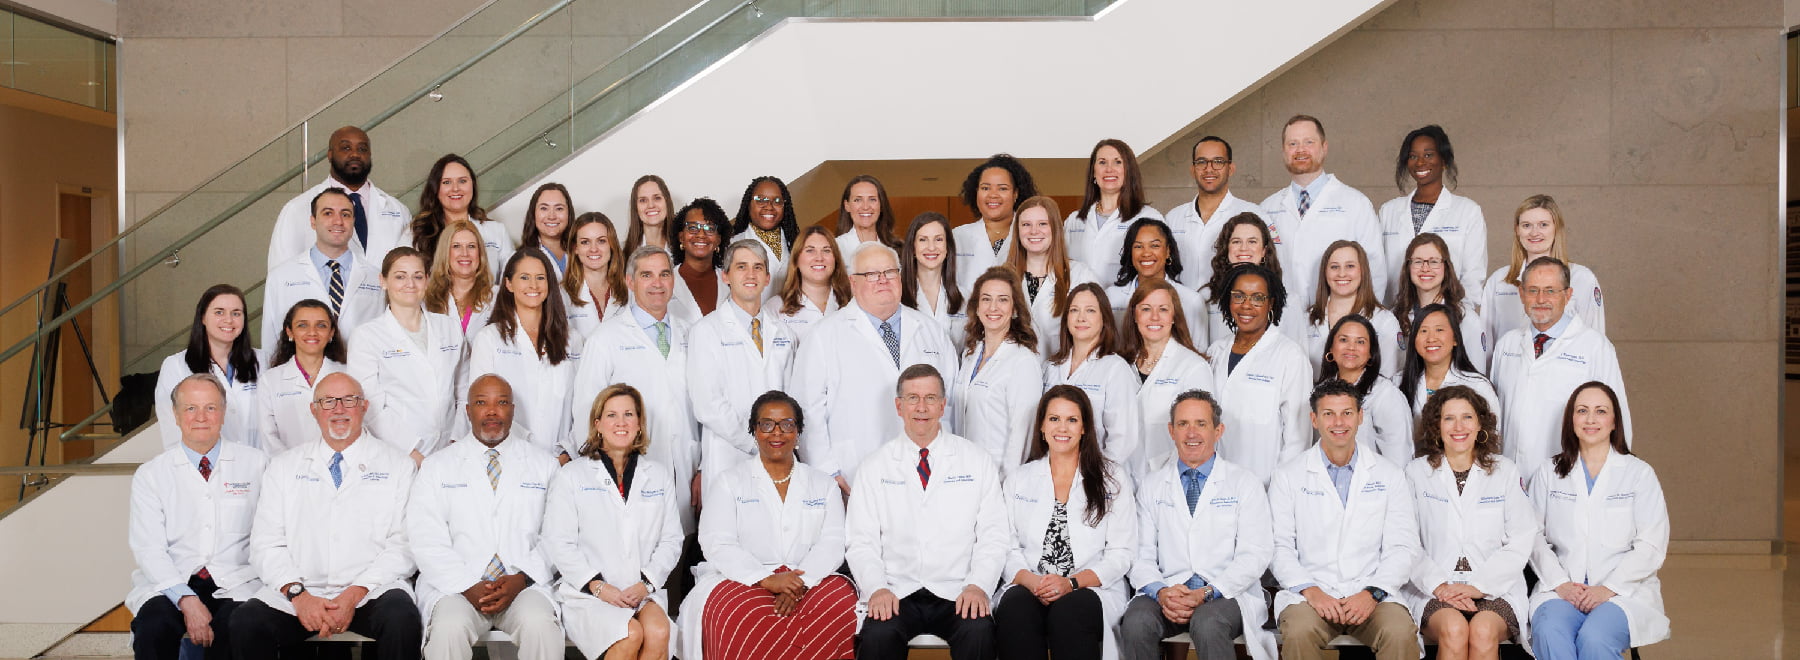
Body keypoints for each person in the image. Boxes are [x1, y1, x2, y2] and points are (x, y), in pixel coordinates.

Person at [230, 373, 421, 659]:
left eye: (349, 400)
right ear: (314, 409)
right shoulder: (283, 467)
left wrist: (354, 593)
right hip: (301, 592)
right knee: (245, 622)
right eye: (328, 401)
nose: (339, 409)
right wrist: (299, 595)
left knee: (401, 618)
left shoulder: (399, 466)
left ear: (364, 406)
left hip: (370, 591)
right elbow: (266, 544)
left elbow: (404, 544)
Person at [678, 391, 858, 660]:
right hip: (742, 579)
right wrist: (767, 579)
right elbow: (717, 542)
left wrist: (800, 582)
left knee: (840, 604)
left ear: (798, 432)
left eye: (787, 424)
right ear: (754, 430)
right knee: (740, 614)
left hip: (812, 578)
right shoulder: (729, 482)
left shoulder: (824, 484)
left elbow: (832, 542)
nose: (777, 433)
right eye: (766, 424)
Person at [847, 365, 1007, 660]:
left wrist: (978, 585)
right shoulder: (874, 466)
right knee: (878, 636)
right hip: (897, 590)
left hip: (958, 590)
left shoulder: (976, 460)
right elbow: (861, 541)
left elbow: (994, 535)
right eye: (912, 398)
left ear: (943, 405)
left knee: (978, 632)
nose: (922, 407)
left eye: (931, 398)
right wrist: (877, 588)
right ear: (898, 406)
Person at [408, 375, 563, 660]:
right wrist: (467, 585)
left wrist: (520, 579)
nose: (492, 411)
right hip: (457, 587)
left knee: (541, 627)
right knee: (448, 630)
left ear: (513, 410)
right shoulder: (437, 467)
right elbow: (425, 538)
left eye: (501, 402)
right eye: (481, 403)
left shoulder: (545, 466)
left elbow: (556, 535)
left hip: (522, 585)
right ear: (468, 411)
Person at [1269, 379, 1421, 660]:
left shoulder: (1389, 475)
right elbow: (1279, 546)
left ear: (1360, 417)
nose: (1338, 422)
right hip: (1310, 595)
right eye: (1328, 414)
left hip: (1373, 593)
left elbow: (1403, 546)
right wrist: (1312, 591)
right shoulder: (1288, 475)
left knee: (1399, 632)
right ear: (1314, 419)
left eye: (1347, 413)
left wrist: (1373, 593)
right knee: (1300, 631)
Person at [789, 242, 959, 493]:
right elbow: (807, 411)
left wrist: (949, 462)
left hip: (928, 471)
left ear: (900, 277)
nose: (882, 280)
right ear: (853, 282)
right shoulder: (823, 336)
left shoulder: (930, 331)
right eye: (870, 274)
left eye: (889, 272)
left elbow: (952, 401)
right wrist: (827, 473)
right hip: (853, 473)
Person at [1119, 390, 1276, 660]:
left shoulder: (1244, 483)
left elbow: (1255, 555)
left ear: (1218, 430)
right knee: (1136, 622)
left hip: (1226, 593)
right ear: (1171, 430)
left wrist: (1206, 592)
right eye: (1183, 424)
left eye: (1201, 424)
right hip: (1169, 590)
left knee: (1208, 623)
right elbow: (1140, 554)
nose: (1191, 433)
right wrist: (1162, 591)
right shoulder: (1152, 485)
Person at [128, 374, 270, 660]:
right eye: (191, 408)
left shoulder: (256, 464)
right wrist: (186, 599)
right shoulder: (151, 474)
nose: (201, 417)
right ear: (176, 415)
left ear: (223, 412)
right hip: (174, 579)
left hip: (237, 580)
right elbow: (149, 549)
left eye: (210, 407)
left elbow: (271, 534)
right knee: (153, 627)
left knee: (237, 628)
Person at [1527, 382, 1669, 659]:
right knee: (1549, 631)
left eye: (1600, 411)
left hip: (1623, 592)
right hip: (1561, 590)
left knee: (1594, 638)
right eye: (1582, 411)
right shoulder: (1549, 473)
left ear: (1615, 421)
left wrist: (1607, 589)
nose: (1591, 419)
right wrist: (1561, 584)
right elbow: (1532, 536)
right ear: (1571, 420)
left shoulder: (1638, 474)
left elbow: (1651, 545)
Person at [994, 386, 1136, 660]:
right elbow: (1006, 546)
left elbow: (1122, 553)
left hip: (1089, 588)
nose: (1063, 427)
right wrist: (1034, 582)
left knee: (1070, 612)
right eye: (1054, 419)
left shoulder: (1112, 478)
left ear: (1084, 428)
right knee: (1015, 609)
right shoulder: (1019, 479)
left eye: (1072, 420)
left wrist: (1070, 583)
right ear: (1042, 426)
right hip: (1031, 583)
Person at [544, 384, 684, 660]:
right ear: (597, 425)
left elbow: (671, 540)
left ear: (640, 424)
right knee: (629, 634)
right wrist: (598, 587)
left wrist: (647, 584)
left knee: (658, 631)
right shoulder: (572, 476)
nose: (621, 422)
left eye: (629, 414)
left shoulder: (658, 475)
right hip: (589, 592)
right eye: (611, 415)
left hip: (640, 589)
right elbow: (558, 542)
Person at [1404, 386, 1537, 660]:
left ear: (1480, 424)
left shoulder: (1505, 472)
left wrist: (1480, 586)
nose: (1458, 426)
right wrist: (1440, 586)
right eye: (1448, 418)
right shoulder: (1416, 473)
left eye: (1467, 417)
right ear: (1436, 426)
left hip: (1495, 588)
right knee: (1453, 628)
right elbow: (1405, 541)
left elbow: (1522, 539)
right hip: (1434, 587)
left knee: (1482, 631)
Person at [574, 244, 701, 530]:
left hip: (688, 468)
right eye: (647, 275)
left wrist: (705, 468)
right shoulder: (605, 339)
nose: (657, 283)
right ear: (630, 282)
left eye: (664, 274)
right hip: (628, 474)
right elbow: (586, 412)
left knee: (681, 556)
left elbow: (706, 405)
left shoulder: (692, 333)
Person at [1490, 257, 1631, 481]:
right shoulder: (1507, 345)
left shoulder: (1595, 347)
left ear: (1567, 295)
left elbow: (1618, 422)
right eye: (1533, 290)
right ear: (1521, 294)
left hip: (1568, 482)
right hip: (1510, 483)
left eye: (1551, 291)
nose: (1541, 299)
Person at [689, 240, 799, 478]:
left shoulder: (783, 333)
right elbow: (708, 404)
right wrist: (757, 442)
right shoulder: (706, 331)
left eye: (758, 267)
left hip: (779, 454)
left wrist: (777, 440)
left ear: (768, 278)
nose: (751, 274)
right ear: (725, 276)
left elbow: (792, 396)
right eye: (741, 267)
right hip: (729, 456)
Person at [349, 246, 468, 462]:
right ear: (383, 281)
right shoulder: (366, 336)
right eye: (400, 277)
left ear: (427, 280)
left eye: (418, 276)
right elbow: (370, 405)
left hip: (452, 450)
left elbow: (464, 389)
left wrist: (457, 440)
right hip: (399, 454)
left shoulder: (449, 327)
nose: (410, 284)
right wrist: (413, 454)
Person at [1259, 115, 1386, 303]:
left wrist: (1359, 323)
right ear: (1283, 152)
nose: (1300, 150)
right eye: (1292, 144)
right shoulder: (1267, 208)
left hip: (1341, 322)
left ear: (1324, 147)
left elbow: (1374, 270)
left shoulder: (1356, 203)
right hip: (1283, 320)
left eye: (1309, 142)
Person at [469, 248, 581, 460]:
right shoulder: (489, 338)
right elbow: (481, 406)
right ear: (509, 284)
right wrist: (525, 455)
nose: (533, 285)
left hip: (563, 461)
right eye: (524, 277)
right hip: (510, 458)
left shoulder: (571, 339)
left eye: (540, 277)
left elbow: (583, 403)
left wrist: (566, 453)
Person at [1206, 263, 1310, 485]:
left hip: (1264, 485)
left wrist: (1280, 492)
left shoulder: (1290, 356)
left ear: (1271, 303)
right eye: (1239, 296)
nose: (1246, 306)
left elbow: (1297, 439)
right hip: (1215, 481)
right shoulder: (1216, 351)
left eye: (1257, 298)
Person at [267, 126, 411, 273]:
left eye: (362, 149)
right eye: (346, 148)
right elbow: (279, 274)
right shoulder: (297, 209)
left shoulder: (398, 210)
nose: (355, 154)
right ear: (330, 155)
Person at [262, 186, 385, 357]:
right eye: (328, 213)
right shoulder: (281, 276)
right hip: (300, 378)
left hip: (360, 376)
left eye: (345, 214)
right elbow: (271, 340)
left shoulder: (375, 277)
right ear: (313, 221)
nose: (338, 221)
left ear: (353, 221)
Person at [952, 266, 1044, 475]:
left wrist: (1007, 485)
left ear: (1014, 310)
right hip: (963, 472)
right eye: (986, 299)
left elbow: (1022, 435)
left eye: (1002, 299)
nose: (993, 307)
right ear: (976, 307)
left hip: (998, 478)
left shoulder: (1022, 361)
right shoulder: (970, 353)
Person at [1043, 283, 1142, 475]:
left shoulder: (1115, 368)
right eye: (1074, 310)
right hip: (1051, 473)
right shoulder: (1050, 367)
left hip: (1095, 476)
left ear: (1104, 318)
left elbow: (1123, 439)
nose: (1081, 317)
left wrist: (1094, 475)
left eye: (1090, 310)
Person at [1379, 125, 1486, 303]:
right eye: (1413, 156)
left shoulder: (1468, 211)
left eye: (1428, 155)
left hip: (1448, 319)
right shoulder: (1388, 211)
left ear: (1444, 161)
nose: (1420, 162)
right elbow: (1377, 270)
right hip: (1396, 316)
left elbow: (1473, 276)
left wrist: (1457, 317)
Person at [1480, 195, 1606, 342]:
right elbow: (1485, 343)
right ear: (1517, 230)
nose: (1534, 233)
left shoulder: (1582, 278)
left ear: (1556, 228)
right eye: (1526, 225)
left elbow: (1596, 339)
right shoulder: (1499, 281)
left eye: (1543, 225)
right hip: (1510, 363)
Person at [1119, 279, 1214, 473]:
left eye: (1163, 309)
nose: (1154, 317)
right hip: (1122, 477)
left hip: (1171, 479)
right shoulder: (1120, 365)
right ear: (1134, 316)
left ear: (1174, 316)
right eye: (1146, 309)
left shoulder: (1193, 367)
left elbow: (1200, 434)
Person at [155, 285, 261, 450]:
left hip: (259, 466)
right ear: (203, 317)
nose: (229, 320)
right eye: (219, 312)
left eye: (236, 313)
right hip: (204, 468)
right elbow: (171, 428)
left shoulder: (263, 361)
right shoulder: (176, 366)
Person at [1161, 136, 1266, 289]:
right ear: (1192, 170)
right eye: (1201, 162)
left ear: (1230, 169)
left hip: (1230, 309)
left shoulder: (1254, 214)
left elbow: (1269, 268)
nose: (1209, 169)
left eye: (1218, 162)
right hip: (1182, 308)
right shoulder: (1173, 218)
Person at [1004, 196, 1100, 355]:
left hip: (1061, 374)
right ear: (1017, 231)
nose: (1034, 231)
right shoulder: (1002, 277)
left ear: (1055, 228)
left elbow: (1097, 333)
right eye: (1026, 224)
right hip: (1012, 373)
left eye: (1043, 224)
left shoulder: (1080, 275)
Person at [1292, 240, 1401, 379]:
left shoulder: (1384, 321)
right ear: (1325, 272)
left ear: (1363, 271)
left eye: (1350, 266)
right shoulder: (1306, 319)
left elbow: (1391, 377)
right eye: (1334, 267)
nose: (1341, 274)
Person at [1316, 315, 1412, 462]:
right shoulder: (1319, 392)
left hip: (1373, 482)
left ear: (1370, 354)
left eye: (1360, 342)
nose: (1351, 347)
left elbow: (1399, 457)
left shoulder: (1386, 394)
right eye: (1343, 340)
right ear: (1331, 348)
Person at [257, 300, 345, 455]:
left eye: (321, 325)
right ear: (289, 332)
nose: (312, 332)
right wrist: (295, 467)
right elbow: (268, 437)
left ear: (331, 333)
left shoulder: (348, 375)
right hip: (289, 471)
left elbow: (358, 427)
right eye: (302, 325)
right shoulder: (270, 380)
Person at [1393, 233, 1488, 370]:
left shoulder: (1467, 319)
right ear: (1408, 267)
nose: (1425, 268)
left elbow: (1476, 377)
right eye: (1418, 261)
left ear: (1446, 267)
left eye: (1434, 261)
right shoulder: (1396, 316)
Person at [1105, 218, 1207, 342]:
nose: (1146, 253)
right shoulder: (1112, 297)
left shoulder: (1191, 301)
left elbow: (1198, 352)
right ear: (1130, 252)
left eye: (1155, 245)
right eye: (1138, 246)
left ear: (1168, 251)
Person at [411, 154, 510, 277]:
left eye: (462, 181)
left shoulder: (497, 231)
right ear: (435, 189)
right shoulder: (416, 233)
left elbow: (511, 280)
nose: (456, 188)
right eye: (447, 182)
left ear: (472, 185)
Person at [1198, 213, 1289, 347]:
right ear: (1226, 249)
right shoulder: (1206, 297)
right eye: (1236, 242)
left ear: (1264, 250)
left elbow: (1297, 355)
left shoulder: (1290, 301)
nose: (1244, 248)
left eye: (1252, 241)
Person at [1398, 304, 1500, 420]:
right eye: (1424, 331)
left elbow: (1492, 434)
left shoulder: (1479, 386)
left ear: (1455, 339)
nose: (1431, 338)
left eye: (1439, 330)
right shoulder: (1397, 383)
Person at [955, 154, 1039, 293]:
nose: (993, 195)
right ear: (976, 192)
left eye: (1002, 188)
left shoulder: (1034, 234)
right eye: (985, 188)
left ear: (1015, 194)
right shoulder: (957, 236)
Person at [902, 211, 968, 345]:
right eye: (923, 240)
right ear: (913, 248)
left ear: (947, 247)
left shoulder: (965, 297)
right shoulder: (898, 296)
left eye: (938, 239)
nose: (931, 247)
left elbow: (970, 347)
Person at [777, 225, 853, 340]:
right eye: (810, 250)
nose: (819, 258)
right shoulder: (776, 308)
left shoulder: (853, 303)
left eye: (826, 250)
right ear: (796, 260)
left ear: (836, 259)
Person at [424, 219, 498, 336]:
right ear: (445, 253)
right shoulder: (427, 299)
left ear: (480, 253)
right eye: (456, 246)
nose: (465, 253)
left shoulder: (497, 297)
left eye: (471, 246)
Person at [564, 211, 628, 338]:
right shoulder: (561, 294)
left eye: (601, 241)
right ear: (575, 248)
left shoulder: (630, 290)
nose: (594, 249)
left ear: (612, 245)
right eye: (585, 242)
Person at [731, 176, 800, 289]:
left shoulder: (795, 242)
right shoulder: (732, 245)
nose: (769, 206)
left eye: (777, 201)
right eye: (761, 200)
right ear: (749, 204)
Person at [668, 198, 729, 323]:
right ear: (681, 237)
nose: (701, 234)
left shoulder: (731, 283)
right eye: (692, 228)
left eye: (710, 228)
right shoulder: (665, 281)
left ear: (718, 239)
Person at [835, 174, 900, 256]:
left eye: (872, 199)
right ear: (847, 206)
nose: (865, 207)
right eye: (857, 200)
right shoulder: (836, 247)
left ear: (882, 205)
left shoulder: (897, 249)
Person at [521, 182, 574, 279]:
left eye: (559, 208)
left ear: (569, 214)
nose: (552, 216)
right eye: (544, 208)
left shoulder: (583, 252)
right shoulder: (519, 258)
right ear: (533, 214)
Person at [625, 174, 675, 254]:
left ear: (667, 202)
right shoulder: (623, 252)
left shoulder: (684, 248)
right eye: (643, 200)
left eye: (657, 198)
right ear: (636, 207)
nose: (651, 205)